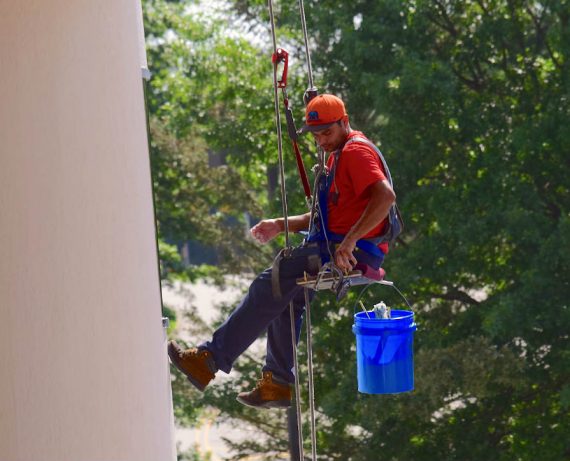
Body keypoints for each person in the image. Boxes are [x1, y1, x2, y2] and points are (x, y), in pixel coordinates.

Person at [168, 94, 396, 408]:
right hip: (337, 246)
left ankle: (209, 358)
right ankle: (276, 383)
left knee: (272, 280)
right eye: (316, 135)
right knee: (286, 297)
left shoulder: (355, 151)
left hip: (352, 251)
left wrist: (350, 242)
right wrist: (280, 223)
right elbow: (325, 218)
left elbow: (385, 197)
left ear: (344, 122)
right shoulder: (337, 155)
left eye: (327, 133)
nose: (321, 140)